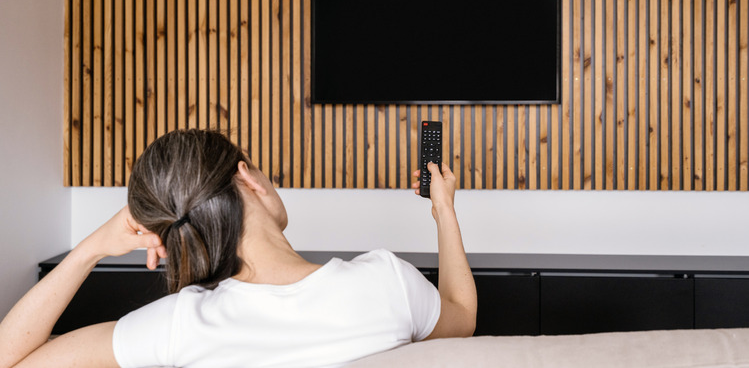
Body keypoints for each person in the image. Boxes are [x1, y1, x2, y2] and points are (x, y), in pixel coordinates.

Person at [0, 129, 477, 367]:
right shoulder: (385, 282)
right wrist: (444, 210)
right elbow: (461, 316)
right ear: (248, 177)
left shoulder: (173, 327)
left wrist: (91, 248)